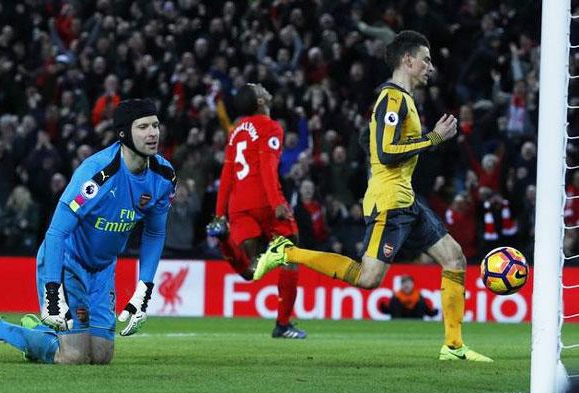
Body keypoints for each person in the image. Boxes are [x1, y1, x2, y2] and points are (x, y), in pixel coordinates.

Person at [255, 31, 492, 362]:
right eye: (425, 60)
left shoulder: (404, 100)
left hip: (407, 200)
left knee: (454, 258)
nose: (430, 67)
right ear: (407, 61)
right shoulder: (392, 99)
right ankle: (287, 252)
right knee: (367, 279)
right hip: (389, 202)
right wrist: (434, 137)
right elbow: (387, 151)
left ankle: (453, 346)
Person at [0, 99, 176, 364]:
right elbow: (56, 232)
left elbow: (154, 234)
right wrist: (52, 292)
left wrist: (145, 288)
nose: (152, 133)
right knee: (73, 356)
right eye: (143, 127)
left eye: (155, 125)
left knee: (100, 356)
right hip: (67, 262)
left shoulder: (163, 176)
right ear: (123, 133)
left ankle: (39, 332)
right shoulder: (97, 174)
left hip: (103, 269)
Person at [208, 83, 305, 339]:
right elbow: (267, 167)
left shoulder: (236, 131)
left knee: (252, 270)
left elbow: (227, 173)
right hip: (264, 201)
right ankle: (283, 324)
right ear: (261, 101)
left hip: (238, 207)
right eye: (258, 87)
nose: (262, 86)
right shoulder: (271, 127)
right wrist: (276, 204)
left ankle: (224, 242)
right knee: (291, 256)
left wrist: (220, 214)